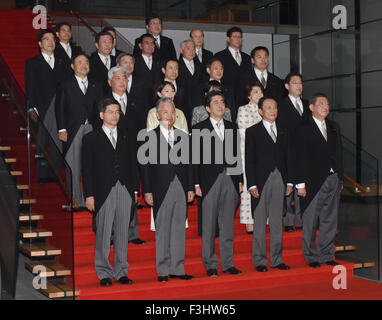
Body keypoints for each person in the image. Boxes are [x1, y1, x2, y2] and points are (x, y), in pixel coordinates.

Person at [82, 98, 139, 287]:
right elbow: (87, 169)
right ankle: (104, 272)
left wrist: (135, 190)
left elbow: (133, 165)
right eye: (111, 111)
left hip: (124, 188)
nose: (115, 115)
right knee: (104, 232)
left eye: (117, 111)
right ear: (101, 115)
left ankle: (121, 270)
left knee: (123, 232)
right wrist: (88, 195)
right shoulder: (91, 138)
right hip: (102, 190)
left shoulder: (126, 135)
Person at [141, 97, 195, 282]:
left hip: (180, 186)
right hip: (160, 187)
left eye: (172, 112)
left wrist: (190, 187)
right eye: (165, 112)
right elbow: (145, 167)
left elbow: (189, 165)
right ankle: (163, 270)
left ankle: (178, 268)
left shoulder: (182, 135)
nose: (170, 115)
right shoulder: (149, 136)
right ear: (157, 115)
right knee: (163, 229)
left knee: (179, 228)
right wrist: (146, 191)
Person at [193, 91, 243, 277]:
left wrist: (239, 181)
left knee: (227, 224)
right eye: (215, 102)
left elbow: (237, 156)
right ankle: (211, 263)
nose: (220, 105)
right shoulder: (199, 128)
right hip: (209, 181)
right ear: (207, 108)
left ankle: (228, 263)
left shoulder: (232, 127)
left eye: (222, 102)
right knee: (209, 225)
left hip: (230, 179)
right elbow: (195, 159)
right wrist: (196, 183)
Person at [293, 93, 343, 268]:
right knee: (310, 220)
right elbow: (299, 157)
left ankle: (326, 254)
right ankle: (311, 256)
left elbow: (338, 154)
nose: (325, 106)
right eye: (321, 103)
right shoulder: (303, 128)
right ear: (311, 107)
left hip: (333, 178)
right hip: (312, 180)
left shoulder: (334, 126)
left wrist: (340, 177)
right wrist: (300, 184)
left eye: (327, 104)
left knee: (330, 219)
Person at [245, 97, 293, 272]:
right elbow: (249, 160)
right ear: (260, 111)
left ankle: (276, 259)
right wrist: (251, 185)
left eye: (275, 107)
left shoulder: (284, 131)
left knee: (276, 221)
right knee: (259, 222)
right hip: (261, 181)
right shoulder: (253, 131)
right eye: (268, 107)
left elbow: (289, 158)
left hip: (280, 179)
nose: (273, 111)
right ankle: (259, 260)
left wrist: (290, 181)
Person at [55, 52, 103, 208]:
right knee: (73, 166)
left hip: (92, 129)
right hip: (73, 129)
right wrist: (61, 129)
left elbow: (100, 108)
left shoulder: (96, 84)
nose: (84, 65)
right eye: (80, 62)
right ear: (72, 66)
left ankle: (92, 198)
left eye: (86, 62)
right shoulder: (65, 84)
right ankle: (75, 200)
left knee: (93, 165)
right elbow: (60, 108)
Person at [25, 29, 66, 183]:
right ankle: (42, 175)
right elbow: (30, 87)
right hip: (41, 110)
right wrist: (32, 107)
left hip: (59, 110)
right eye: (46, 39)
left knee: (57, 145)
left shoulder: (62, 62)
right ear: (40, 43)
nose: (50, 42)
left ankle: (55, 174)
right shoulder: (32, 62)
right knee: (42, 144)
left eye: (52, 39)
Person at [277, 72, 310, 232]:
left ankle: (302, 219)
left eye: (300, 83)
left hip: (304, 152)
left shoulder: (307, 103)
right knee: (288, 188)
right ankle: (288, 221)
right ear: (287, 86)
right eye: (295, 82)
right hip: (287, 151)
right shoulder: (281, 105)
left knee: (303, 188)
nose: (299, 85)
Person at [236, 81, 264, 234]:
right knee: (250, 185)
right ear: (248, 95)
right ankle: (249, 221)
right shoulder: (243, 109)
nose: (259, 95)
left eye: (260, 92)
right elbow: (243, 132)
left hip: (264, 154)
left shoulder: (265, 109)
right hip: (248, 151)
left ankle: (262, 218)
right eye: (255, 92)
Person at [214, 26, 252, 119]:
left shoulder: (247, 57)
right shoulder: (219, 56)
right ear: (228, 39)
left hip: (244, 98)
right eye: (235, 36)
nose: (238, 39)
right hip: (227, 97)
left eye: (240, 37)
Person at [116, 52, 150, 130]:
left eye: (131, 63)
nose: (129, 65)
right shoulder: (112, 83)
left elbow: (146, 106)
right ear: (118, 65)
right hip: (118, 126)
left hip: (137, 126)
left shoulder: (143, 83)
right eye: (125, 62)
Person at [177, 39, 203, 127]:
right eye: (188, 48)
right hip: (181, 104)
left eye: (193, 48)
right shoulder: (176, 66)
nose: (192, 51)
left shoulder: (200, 66)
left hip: (198, 105)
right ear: (181, 50)